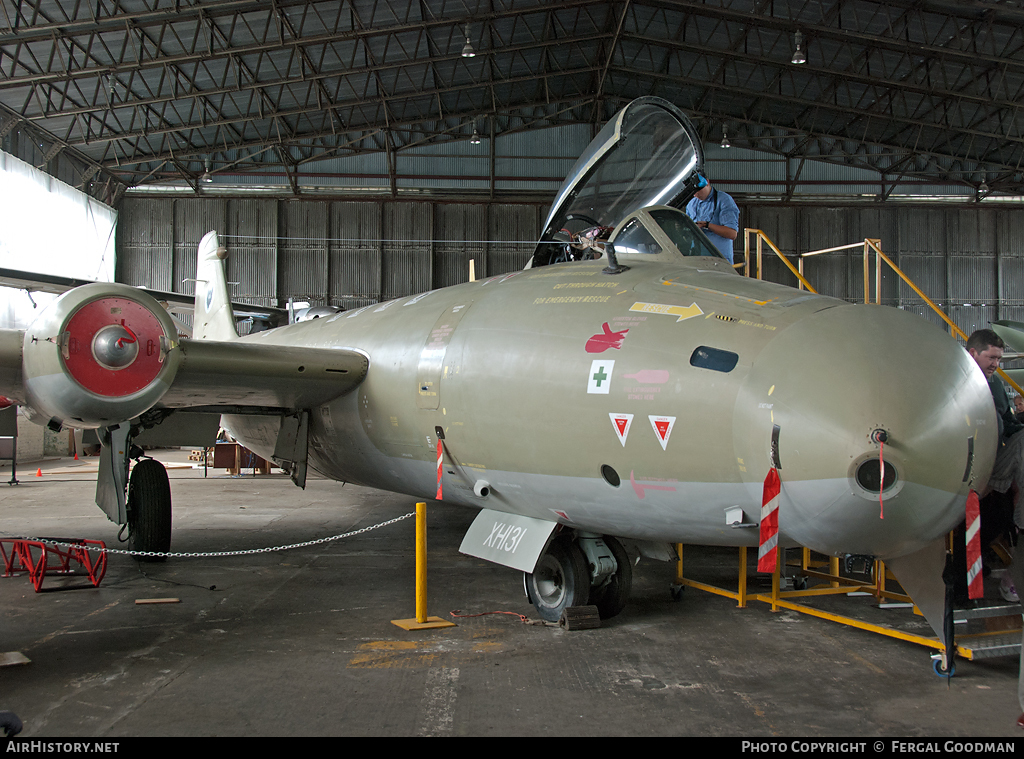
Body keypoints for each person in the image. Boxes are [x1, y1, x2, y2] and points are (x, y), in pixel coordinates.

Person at [965, 329, 1024, 728]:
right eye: (991, 357)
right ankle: (968, 579)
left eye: (999, 359)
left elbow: (1003, 425)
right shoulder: (956, 381)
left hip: (994, 471)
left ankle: (987, 575)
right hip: (974, 473)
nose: (996, 364)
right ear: (973, 353)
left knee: (996, 522)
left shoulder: (998, 387)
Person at [685, 174, 740, 264]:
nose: (696, 195)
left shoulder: (724, 200)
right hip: (697, 261)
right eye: (693, 192)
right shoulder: (691, 204)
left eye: (699, 190)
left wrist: (707, 225)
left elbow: (732, 233)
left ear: (707, 182)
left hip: (719, 262)